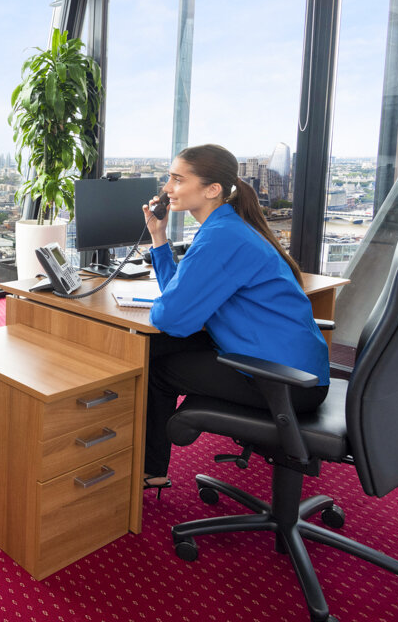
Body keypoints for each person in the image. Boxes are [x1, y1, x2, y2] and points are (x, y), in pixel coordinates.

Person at [140, 144, 330, 494]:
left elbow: (171, 318)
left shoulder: (221, 238)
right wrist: (158, 238)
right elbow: (179, 297)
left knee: (152, 365)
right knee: (155, 348)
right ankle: (148, 465)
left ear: (212, 189)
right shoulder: (226, 227)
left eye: (177, 179)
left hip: (284, 382)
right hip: (291, 368)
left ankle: (150, 470)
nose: (167, 188)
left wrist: (169, 302)